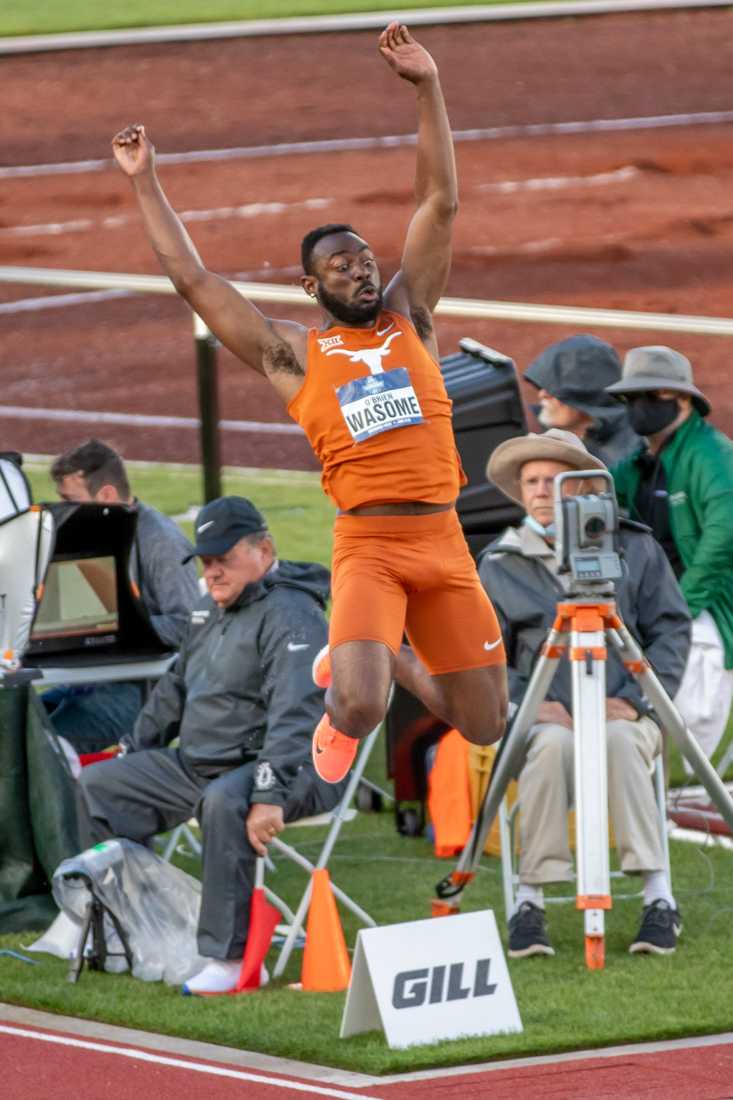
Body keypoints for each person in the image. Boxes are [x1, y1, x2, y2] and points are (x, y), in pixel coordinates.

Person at [110, 22, 507, 786]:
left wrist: (428, 88)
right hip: (370, 547)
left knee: (484, 720)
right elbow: (193, 279)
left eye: (364, 260)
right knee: (356, 709)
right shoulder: (292, 355)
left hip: (444, 540)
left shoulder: (411, 317)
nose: (360, 272)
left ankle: (388, 649)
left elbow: (439, 203)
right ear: (309, 286)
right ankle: (363, 660)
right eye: (340, 265)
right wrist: (144, 180)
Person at [78, 495, 342, 994]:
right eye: (206, 561)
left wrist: (268, 793)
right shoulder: (207, 609)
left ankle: (234, 957)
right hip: (203, 765)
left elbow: (297, 716)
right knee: (101, 785)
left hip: (289, 770)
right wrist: (132, 750)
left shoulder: (292, 614)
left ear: (264, 550)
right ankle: (126, 924)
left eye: (224, 559)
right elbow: (174, 690)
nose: (213, 572)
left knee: (224, 801)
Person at [480, 429, 691, 956]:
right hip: (547, 718)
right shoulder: (499, 563)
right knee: (550, 748)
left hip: (624, 711)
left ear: (583, 488)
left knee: (620, 741)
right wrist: (530, 704)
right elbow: (482, 661)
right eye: (531, 481)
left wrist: (641, 698)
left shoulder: (634, 546)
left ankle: (658, 898)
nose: (542, 491)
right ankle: (529, 900)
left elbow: (671, 630)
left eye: (555, 479)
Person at [607, 347, 733, 762]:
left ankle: (681, 782)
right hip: (657, 599)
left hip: (705, 607)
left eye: (650, 395)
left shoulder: (711, 455)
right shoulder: (639, 463)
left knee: (688, 713)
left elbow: (724, 533)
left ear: (681, 398)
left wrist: (678, 606)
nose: (637, 407)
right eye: (630, 398)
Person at [42, 439, 200, 753]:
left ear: (107, 496)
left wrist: (119, 628)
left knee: (42, 746)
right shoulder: (91, 531)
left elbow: (188, 624)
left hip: (143, 691)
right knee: (16, 723)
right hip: (91, 680)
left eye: (69, 500)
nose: (63, 511)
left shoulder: (162, 542)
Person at [523, 334, 641, 467]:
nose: (542, 394)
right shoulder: (535, 423)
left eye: (554, 389)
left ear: (586, 396)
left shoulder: (631, 452)